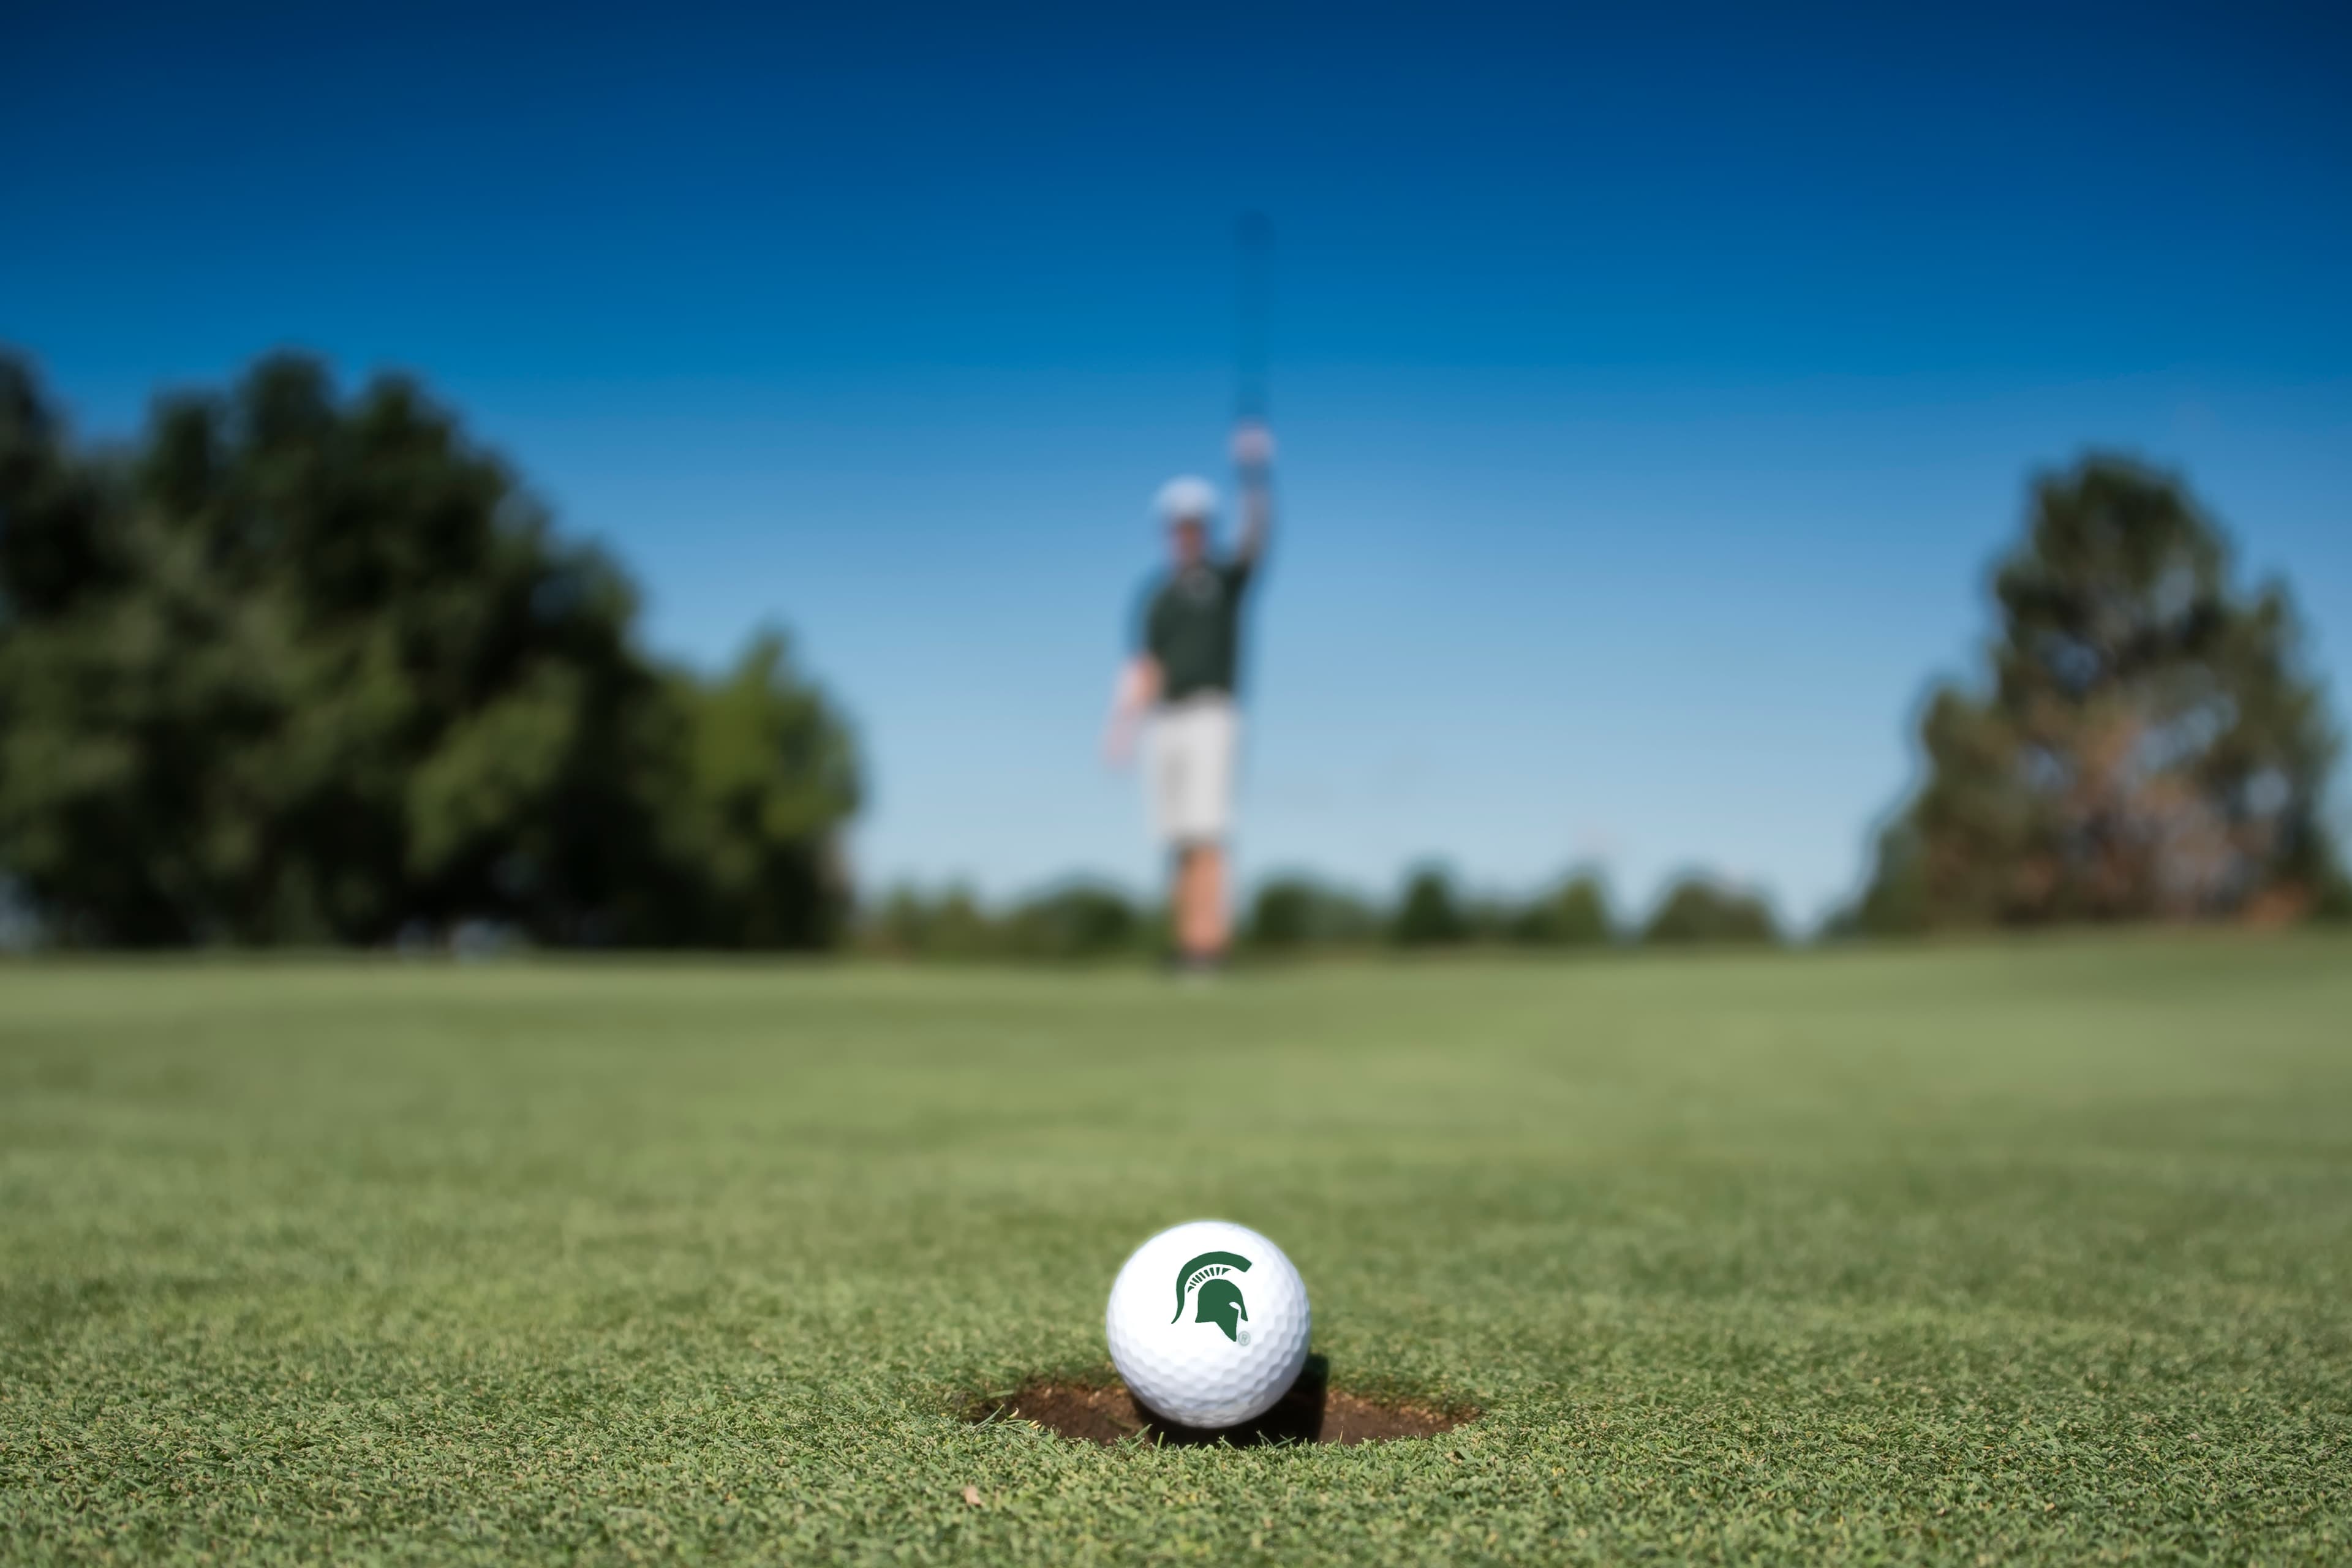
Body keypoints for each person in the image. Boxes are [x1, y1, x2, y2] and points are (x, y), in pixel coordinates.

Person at [1104, 422, 1275, 973]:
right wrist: (1121, 727)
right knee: (1176, 835)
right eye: (1179, 526)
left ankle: (1210, 945)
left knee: (1208, 830)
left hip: (1211, 713)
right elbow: (1144, 667)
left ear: (1206, 529)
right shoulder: (1155, 597)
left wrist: (1254, 470)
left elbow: (1258, 536)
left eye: (1196, 525)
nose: (1187, 534)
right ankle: (1186, 945)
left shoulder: (1224, 579)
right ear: (1167, 532)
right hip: (1165, 720)